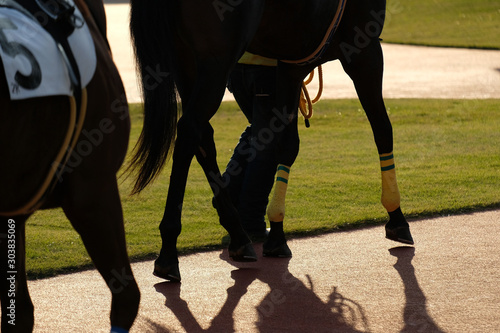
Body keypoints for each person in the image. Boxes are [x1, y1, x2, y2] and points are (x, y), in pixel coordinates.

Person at [221, 52, 292, 257]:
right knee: (268, 144)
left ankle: (229, 195)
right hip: (267, 70)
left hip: (237, 70)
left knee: (259, 132)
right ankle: (251, 220)